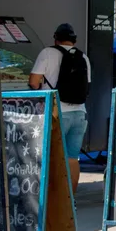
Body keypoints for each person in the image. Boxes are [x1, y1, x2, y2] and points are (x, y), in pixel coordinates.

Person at [29, 23, 90, 192]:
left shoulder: (47, 53)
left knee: (51, 156)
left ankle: (51, 200)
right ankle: (70, 202)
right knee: (72, 158)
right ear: (74, 40)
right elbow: (87, 87)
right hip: (80, 113)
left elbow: (34, 82)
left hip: (57, 112)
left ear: (56, 38)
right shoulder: (83, 57)